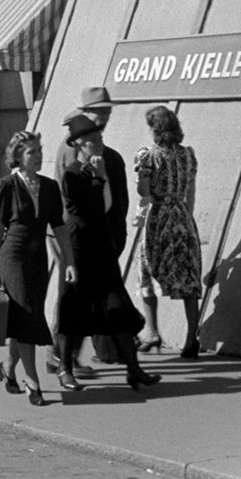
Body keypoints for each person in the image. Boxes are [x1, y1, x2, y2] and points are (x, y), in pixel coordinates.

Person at [53, 104, 156, 392]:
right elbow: (81, 209)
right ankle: (64, 367)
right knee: (73, 309)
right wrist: (96, 178)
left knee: (117, 305)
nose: (98, 145)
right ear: (79, 146)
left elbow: (117, 204)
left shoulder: (110, 162)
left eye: (100, 139)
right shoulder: (73, 173)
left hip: (103, 245)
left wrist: (116, 237)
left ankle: (134, 370)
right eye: (92, 142)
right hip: (79, 248)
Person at [0, 131, 74, 408]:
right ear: (18, 157)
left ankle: (8, 367)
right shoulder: (7, 185)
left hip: (37, 259)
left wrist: (69, 261)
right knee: (29, 315)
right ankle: (33, 383)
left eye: (38, 150)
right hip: (12, 256)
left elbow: (59, 227)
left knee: (25, 319)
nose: (38, 156)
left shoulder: (48, 187)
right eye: (31, 152)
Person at [134, 105, 204, 359]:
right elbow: (191, 193)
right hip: (183, 217)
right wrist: (186, 218)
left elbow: (144, 192)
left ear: (156, 129)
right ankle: (190, 338)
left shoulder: (149, 156)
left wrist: (143, 181)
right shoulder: (188, 155)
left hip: (160, 216)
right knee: (187, 275)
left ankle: (152, 331)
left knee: (146, 269)